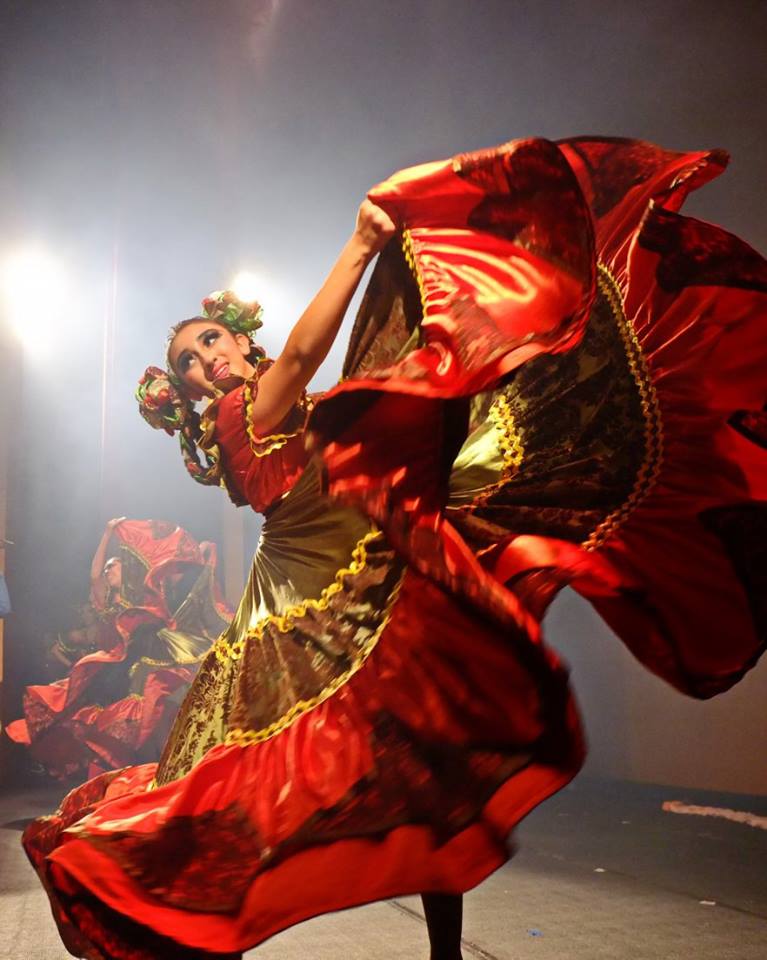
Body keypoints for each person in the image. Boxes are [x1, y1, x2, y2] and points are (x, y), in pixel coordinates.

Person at [22, 137, 766, 960]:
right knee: (225, 802)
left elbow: (328, 380)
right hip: (304, 614)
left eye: (209, 341)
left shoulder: (311, 405)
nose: (205, 360)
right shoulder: (242, 417)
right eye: (189, 362)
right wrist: (362, 245)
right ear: (190, 393)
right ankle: (164, 915)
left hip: (374, 574)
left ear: (237, 338)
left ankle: (442, 953)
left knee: (426, 772)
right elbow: (302, 355)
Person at [6, 517, 232, 780]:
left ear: (126, 571)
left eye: (113, 567)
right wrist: (107, 533)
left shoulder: (139, 594)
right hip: (113, 667)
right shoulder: (105, 601)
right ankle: (114, 779)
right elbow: (93, 575)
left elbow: (170, 572)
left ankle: (158, 770)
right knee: (100, 724)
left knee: (149, 715)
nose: (108, 571)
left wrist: (199, 554)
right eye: (107, 569)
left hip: (145, 658)